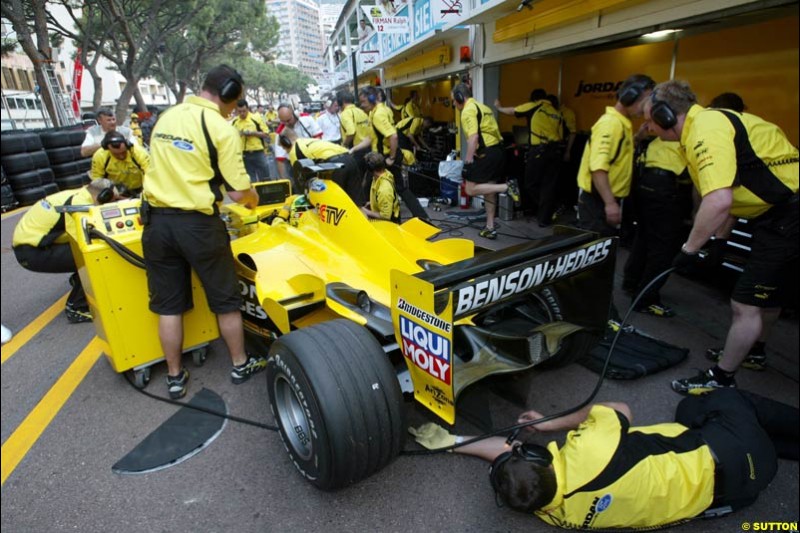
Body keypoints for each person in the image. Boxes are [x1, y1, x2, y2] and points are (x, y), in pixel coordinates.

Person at [408, 388, 798, 529]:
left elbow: (506, 461)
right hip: (733, 452)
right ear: (536, 455)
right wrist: (551, 424)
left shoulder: (552, 511)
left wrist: (453, 441)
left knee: (693, 423)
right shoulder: (592, 452)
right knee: (699, 405)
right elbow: (619, 408)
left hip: (738, 493)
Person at [642, 80, 798, 394]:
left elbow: (719, 200)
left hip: (787, 217)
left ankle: (721, 379)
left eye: (649, 119)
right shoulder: (710, 124)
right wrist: (719, 240)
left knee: (745, 304)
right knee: (769, 297)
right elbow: (736, 191)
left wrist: (688, 250)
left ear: (667, 115)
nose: (647, 127)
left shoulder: (706, 129)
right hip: (776, 214)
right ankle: (754, 351)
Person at [142, 64, 266, 400]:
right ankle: (240, 364)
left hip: (156, 224)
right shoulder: (221, 129)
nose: (233, 109)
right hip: (198, 225)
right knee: (225, 301)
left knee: (168, 306)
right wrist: (256, 199)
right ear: (229, 95)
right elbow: (240, 194)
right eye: (234, 102)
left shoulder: (166, 117)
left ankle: (174, 375)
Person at [12, 178, 121, 324]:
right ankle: (76, 307)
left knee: (90, 255)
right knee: (95, 258)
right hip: (33, 252)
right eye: (111, 200)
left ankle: (79, 281)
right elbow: (82, 242)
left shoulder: (78, 194)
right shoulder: (79, 205)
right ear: (103, 196)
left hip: (32, 247)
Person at [575, 74, 655, 237]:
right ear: (630, 97)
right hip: (597, 201)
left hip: (605, 198)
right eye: (647, 101)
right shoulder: (611, 124)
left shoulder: (621, 123)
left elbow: (616, 154)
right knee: (596, 248)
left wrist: (638, 137)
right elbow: (598, 168)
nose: (648, 107)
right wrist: (610, 203)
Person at [621, 130, 688, 318]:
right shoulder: (691, 137)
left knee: (642, 238)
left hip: (645, 185)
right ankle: (645, 299)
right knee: (664, 249)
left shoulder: (664, 134)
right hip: (667, 191)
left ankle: (631, 282)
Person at [452, 83, 520, 239]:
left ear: (459, 97)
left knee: (469, 189)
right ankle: (490, 227)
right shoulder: (484, 108)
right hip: (498, 152)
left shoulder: (468, 111)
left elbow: (474, 138)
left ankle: (506, 187)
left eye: (454, 100)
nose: (454, 104)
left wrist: (467, 163)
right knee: (489, 189)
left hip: (486, 153)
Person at [357, 86, 429, 221]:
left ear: (372, 99)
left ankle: (421, 218)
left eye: (363, 101)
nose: (362, 105)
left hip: (385, 157)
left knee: (371, 186)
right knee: (386, 186)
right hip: (383, 155)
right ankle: (418, 217)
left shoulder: (378, 114)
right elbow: (372, 137)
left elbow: (393, 136)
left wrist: (391, 157)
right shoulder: (380, 110)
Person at [496, 89, 564, 226]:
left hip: (539, 151)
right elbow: (561, 136)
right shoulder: (556, 113)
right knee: (548, 186)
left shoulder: (535, 106)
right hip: (555, 151)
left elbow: (514, 111)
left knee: (530, 183)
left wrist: (499, 107)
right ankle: (545, 218)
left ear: (534, 99)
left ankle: (550, 208)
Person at [278, 128, 363, 204]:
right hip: (350, 159)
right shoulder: (309, 141)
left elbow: (300, 180)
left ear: (287, 142)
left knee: (336, 205)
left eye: (284, 148)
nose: (285, 151)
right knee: (356, 204)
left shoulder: (294, 150)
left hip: (335, 165)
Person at [90, 131, 150, 196]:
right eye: (116, 154)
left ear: (127, 145)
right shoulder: (100, 156)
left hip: (141, 189)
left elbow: (150, 174)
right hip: (115, 192)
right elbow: (97, 181)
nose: (121, 156)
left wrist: (146, 193)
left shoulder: (139, 152)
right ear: (107, 149)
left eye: (123, 152)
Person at [274, 103, 322, 182]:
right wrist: (284, 180)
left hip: (313, 159)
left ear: (293, 113)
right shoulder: (280, 133)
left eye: (288, 120)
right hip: (295, 165)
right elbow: (280, 159)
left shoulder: (307, 118)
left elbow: (318, 137)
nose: (286, 123)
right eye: (283, 121)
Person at [232, 98, 272, 182]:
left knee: (265, 178)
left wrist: (252, 133)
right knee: (250, 180)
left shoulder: (256, 118)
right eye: (240, 112)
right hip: (244, 154)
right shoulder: (235, 122)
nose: (242, 113)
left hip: (258, 153)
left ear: (248, 108)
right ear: (236, 111)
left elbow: (266, 134)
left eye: (244, 111)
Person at [338, 90, 372, 177]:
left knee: (356, 179)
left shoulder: (345, 114)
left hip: (355, 152)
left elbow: (351, 131)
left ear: (342, 102)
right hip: (368, 148)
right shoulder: (361, 112)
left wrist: (344, 145)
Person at [361, 152, 400, 222]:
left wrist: (365, 211)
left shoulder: (384, 190)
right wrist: (372, 203)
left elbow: (386, 216)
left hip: (388, 225)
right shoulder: (381, 176)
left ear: (370, 170)